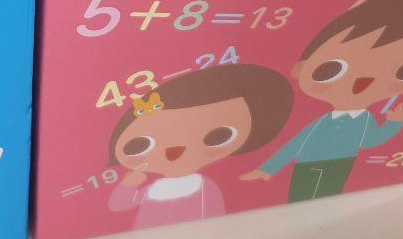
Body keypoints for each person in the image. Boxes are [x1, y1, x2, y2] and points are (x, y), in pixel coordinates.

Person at [240, 0, 403, 202]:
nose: (364, 82)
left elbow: (370, 141)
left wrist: (395, 123)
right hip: (307, 165)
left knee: (326, 196)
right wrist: (268, 169)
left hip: (341, 164)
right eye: (332, 69)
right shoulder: (324, 122)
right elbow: (295, 144)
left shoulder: (364, 119)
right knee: (301, 196)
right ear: (301, 68)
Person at [107, 64, 293, 230]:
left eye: (217, 137)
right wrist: (128, 185)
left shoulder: (204, 187)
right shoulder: (153, 190)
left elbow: (214, 212)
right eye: (141, 144)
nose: (175, 150)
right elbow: (118, 206)